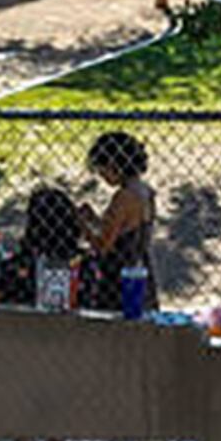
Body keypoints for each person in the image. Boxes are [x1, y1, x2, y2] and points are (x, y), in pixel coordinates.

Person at [83, 132, 156, 310]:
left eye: (102, 169)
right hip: (141, 270)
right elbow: (123, 230)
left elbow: (103, 246)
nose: (101, 174)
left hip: (118, 277)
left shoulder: (123, 197)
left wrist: (80, 224)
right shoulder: (145, 191)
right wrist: (94, 220)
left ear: (114, 165)